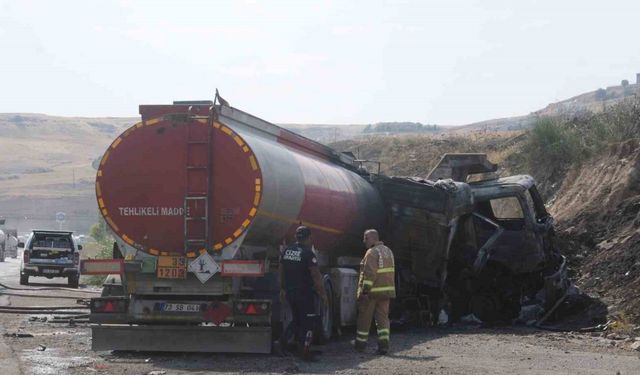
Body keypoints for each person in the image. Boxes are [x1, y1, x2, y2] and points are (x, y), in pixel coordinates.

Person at [280, 226, 328, 361]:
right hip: (305, 293)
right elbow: (316, 275)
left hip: (290, 292)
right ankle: (304, 352)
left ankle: (282, 343)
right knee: (308, 322)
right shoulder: (308, 253)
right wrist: (323, 294)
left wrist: (282, 288)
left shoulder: (287, 250)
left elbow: (281, 270)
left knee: (296, 320)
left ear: (296, 237)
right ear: (309, 237)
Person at [354, 229, 396, 355]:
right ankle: (384, 346)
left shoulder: (371, 253)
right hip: (386, 292)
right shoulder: (388, 251)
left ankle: (360, 345)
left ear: (373, 238)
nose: (364, 241)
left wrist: (365, 292)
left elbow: (370, 274)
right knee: (383, 319)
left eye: (366, 238)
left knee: (364, 318)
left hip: (372, 293)